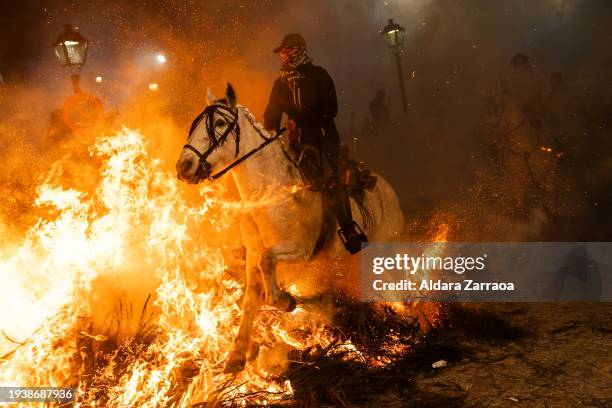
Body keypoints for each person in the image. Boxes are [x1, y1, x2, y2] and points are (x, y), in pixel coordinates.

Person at [264, 33, 367, 254]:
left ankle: (349, 230)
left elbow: (331, 110)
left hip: (323, 138)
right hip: (298, 143)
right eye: (282, 52)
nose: (283, 56)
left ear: (298, 51)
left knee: (330, 179)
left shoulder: (318, 75)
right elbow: (272, 113)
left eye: (286, 51)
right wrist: (268, 131)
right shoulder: (280, 83)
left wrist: (299, 122)